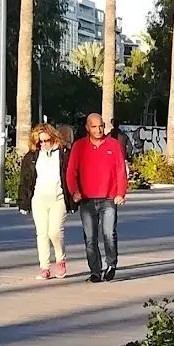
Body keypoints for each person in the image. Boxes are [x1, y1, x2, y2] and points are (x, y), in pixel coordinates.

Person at [66, 110, 129, 282]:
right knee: (90, 238)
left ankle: (111, 265)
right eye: (94, 127)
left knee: (109, 234)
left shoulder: (113, 145)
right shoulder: (79, 146)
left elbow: (120, 170)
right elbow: (71, 171)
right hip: (87, 200)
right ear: (87, 127)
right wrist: (74, 191)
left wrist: (120, 193)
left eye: (101, 126)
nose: (98, 130)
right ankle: (95, 271)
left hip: (108, 198)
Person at [16, 123, 73, 281]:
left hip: (58, 198)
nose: (43, 144)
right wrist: (23, 202)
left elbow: (71, 176)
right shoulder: (32, 157)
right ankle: (44, 267)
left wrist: (74, 197)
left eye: (46, 140)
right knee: (41, 233)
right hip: (39, 199)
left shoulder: (63, 154)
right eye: (39, 142)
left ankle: (60, 259)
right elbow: (25, 180)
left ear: (53, 138)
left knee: (54, 232)